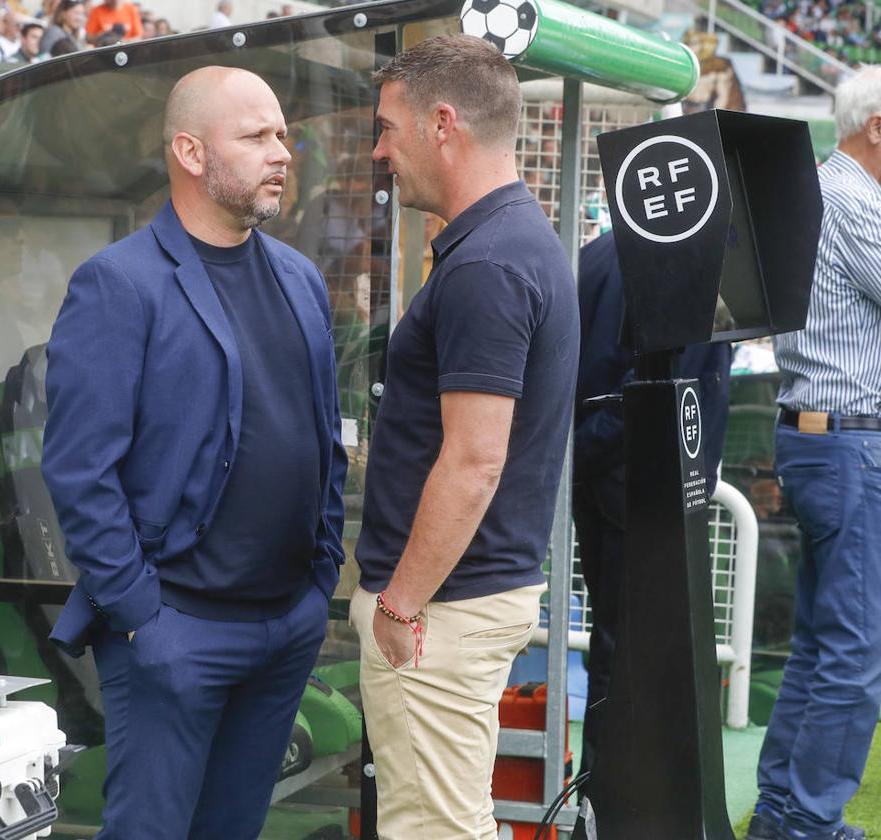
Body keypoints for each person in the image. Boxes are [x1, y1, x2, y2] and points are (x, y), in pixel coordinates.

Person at [41, 65, 346, 839]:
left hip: (286, 626)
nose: (281, 151)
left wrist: (318, 587)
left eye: (282, 133)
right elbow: (80, 473)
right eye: (255, 136)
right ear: (190, 151)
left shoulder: (301, 279)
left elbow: (324, 444)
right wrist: (146, 620)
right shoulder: (119, 284)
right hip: (175, 631)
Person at [353, 34, 579, 839]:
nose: (381, 152)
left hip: (440, 607)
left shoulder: (489, 262)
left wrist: (400, 603)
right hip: (461, 599)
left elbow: (476, 459)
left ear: (442, 123)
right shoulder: (509, 239)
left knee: (436, 831)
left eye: (387, 128)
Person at [745, 66, 881, 840]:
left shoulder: (831, 190)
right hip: (846, 444)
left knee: (825, 646)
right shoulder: (851, 198)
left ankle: (784, 816)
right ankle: (805, 826)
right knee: (854, 657)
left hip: (827, 438)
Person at [571, 230, 732, 818]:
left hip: (612, 483)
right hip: (647, 489)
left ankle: (604, 801)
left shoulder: (594, 254)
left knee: (619, 650)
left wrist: (584, 457)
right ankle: (613, 805)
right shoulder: (676, 256)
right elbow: (649, 391)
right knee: (637, 659)